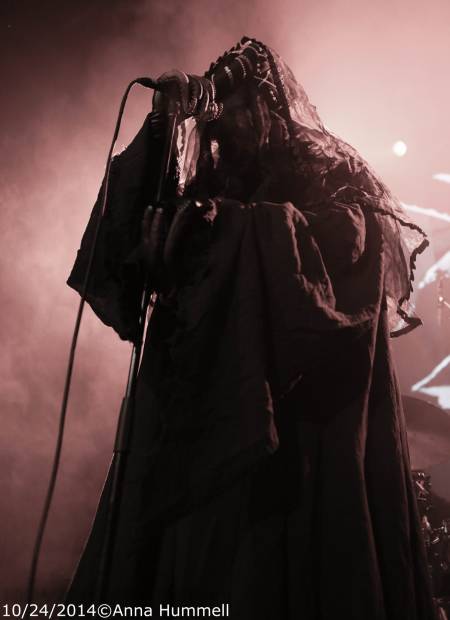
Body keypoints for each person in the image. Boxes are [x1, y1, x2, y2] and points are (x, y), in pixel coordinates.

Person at [64, 37, 438, 619]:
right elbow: (123, 252)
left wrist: (229, 232)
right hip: (203, 411)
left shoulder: (330, 173)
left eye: (237, 105)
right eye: (218, 114)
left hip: (296, 427)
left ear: (268, 106)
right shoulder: (210, 186)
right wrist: (162, 129)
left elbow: (349, 251)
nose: (224, 126)